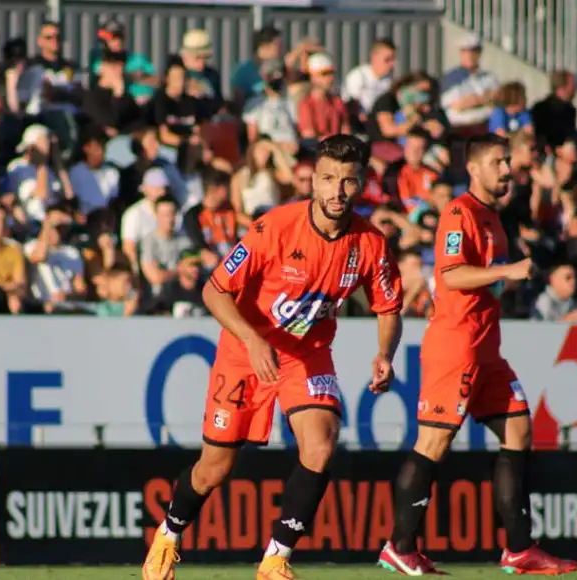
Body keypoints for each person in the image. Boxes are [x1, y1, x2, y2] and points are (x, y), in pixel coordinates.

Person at [141, 135, 404, 580]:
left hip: (307, 354)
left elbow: (389, 307)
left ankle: (275, 560)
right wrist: (252, 337)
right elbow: (213, 289)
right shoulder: (275, 227)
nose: (336, 191)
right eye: (327, 179)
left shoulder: (371, 244)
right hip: (246, 353)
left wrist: (384, 352)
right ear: (312, 181)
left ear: (360, 185)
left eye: (347, 181)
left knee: (320, 446)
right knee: (214, 469)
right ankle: (167, 535)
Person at [378, 134, 577, 576]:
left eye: (508, 161)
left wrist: (506, 275)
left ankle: (520, 549)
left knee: (519, 430)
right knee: (434, 442)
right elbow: (450, 276)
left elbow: (486, 281)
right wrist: (508, 270)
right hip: (456, 346)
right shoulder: (459, 213)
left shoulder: (493, 218)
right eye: (497, 162)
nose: (507, 169)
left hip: (487, 348)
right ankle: (400, 546)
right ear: (473, 168)